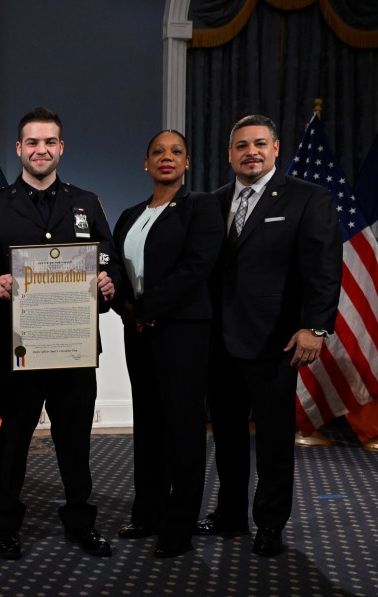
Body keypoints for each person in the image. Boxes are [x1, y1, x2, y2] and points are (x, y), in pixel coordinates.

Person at [0, 107, 119, 560]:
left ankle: (81, 522)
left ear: (61, 148)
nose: (41, 150)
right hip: (16, 346)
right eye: (32, 143)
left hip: (73, 346)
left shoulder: (87, 202)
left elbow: (108, 259)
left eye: (50, 142)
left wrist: (107, 281)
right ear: (19, 149)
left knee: (74, 439)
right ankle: (5, 524)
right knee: (14, 437)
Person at [199, 114, 341, 557]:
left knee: (275, 441)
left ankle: (271, 524)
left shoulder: (308, 198)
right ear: (229, 154)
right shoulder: (213, 202)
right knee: (227, 436)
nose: (251, 152)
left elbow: (322, 268)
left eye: (260, 143)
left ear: (276, 148)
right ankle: (230, 513)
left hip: (277, 342)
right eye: (241, 146)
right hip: (218, 343)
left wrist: (315, 327)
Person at [111, 130, 225, 557]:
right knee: (150, 425)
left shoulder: (201, 207)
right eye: (157, 151)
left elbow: (197, 267)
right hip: (138, 330)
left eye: (176, 151)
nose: (166, 157)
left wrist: (148, 308)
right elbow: (118, 268)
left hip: (182, 330)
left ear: (187, 162)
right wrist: (126, 305)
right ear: (145, 163)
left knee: (183, 428)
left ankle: (178, 527)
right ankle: (148, 514)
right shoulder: (129, 215)